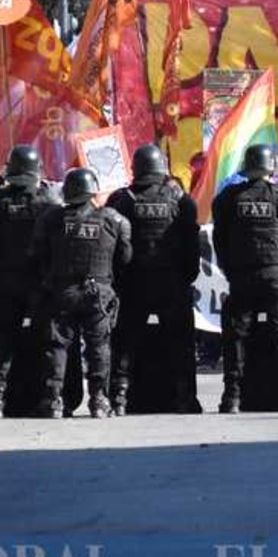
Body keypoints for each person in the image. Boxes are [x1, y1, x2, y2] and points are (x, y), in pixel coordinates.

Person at [212, 144, 278, 413]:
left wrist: (230, 271)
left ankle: (231, 397)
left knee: (237, 337)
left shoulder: (228, 198)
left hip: (242, 278)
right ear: (272, 167)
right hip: (277, 279)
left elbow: (219, 240)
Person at [106, 145, 202, 415]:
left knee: (125, 342)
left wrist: (118, 282)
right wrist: (185, 279)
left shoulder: (120, 200)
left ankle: (119, 399)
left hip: (133, 283)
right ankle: (185, 398)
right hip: (171, 283)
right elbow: (192, 246)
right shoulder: (181, 201)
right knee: (181, 343)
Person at [31, 169, 132, 418]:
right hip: (98, 292)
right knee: (99, 346)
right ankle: (98, 400)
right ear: (93, 190)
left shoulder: (51, 219)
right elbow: (125, 258)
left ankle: (54, 400)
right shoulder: (114, 220)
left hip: (62, 290)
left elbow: (38, 254)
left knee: (58, 346)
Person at [0, 146, 60, 418]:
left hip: (7, 281)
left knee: (3, 346)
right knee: (46, 343)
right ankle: (48, 400)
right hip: (39, 284)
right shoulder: (49, 202)